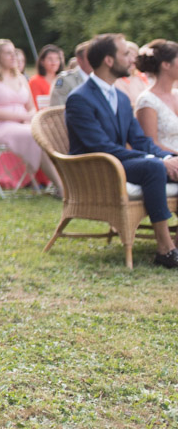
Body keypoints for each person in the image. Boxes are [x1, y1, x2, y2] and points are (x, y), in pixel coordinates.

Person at [66, 33, 178, 268]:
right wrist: (157, 160)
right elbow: (100, 146)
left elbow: (140, 140)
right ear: (109, 60)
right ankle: (165, 249)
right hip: (97, 167)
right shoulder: (79, 99)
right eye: (125, 54)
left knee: (163, 163)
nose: (131, 59)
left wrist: (169, 157)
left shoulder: (121, 97)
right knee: (153, 167)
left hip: (121, 162)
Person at [0, 39, 63, 190]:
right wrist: (23, 117)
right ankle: (60, 187)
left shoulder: (20, 78)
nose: (13, 57)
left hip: (22, 125)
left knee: (50, 133)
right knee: (35, 136)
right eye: (8, 53)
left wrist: (29, 118)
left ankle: (59, 182)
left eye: (14, 53)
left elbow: (31, 107)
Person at [134, 39, 178, 154]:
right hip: (167, 159)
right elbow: (151, 143)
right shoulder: (147, 100)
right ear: (166, 65)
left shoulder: (176, 94)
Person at [49, 40, 92, 107]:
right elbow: (58, 109)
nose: (95, 60)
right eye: (90, 57)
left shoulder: (100, 78)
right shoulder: (65, 80)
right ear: (79, 60)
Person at [114, 40, 149, 105]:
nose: (133, 59)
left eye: (135, 56)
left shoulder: (141, 77)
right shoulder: (117, 80)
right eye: (128, 55)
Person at [29, 45, 64, 109]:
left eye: (57, 59)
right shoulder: (35, 81)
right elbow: (36, 105)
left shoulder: (63, 80)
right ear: (42, 62)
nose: (54, 62)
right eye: (50, 59)